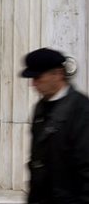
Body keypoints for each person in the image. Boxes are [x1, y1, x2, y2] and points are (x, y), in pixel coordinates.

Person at [21, 47, 89, 203]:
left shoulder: (81, 109)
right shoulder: (40, 107)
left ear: (57, 74)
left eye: (38, 77)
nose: (33, 84)